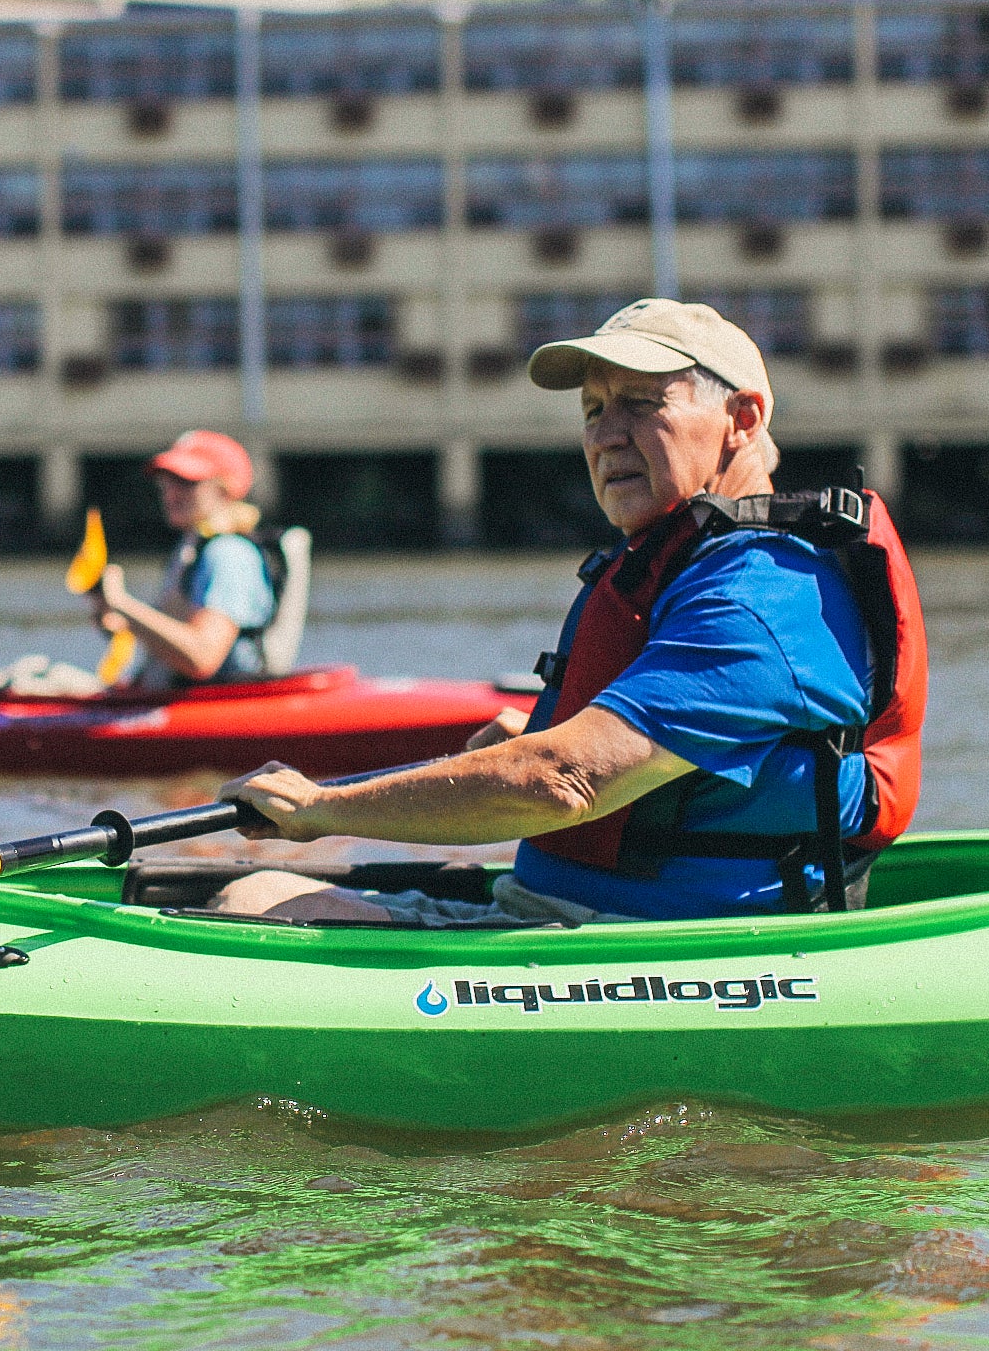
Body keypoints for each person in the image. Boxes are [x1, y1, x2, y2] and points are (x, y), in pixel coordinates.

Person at [210, 298, 924, 926]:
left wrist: (321, 808)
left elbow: (563, 780)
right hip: (566, 908)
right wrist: (540, 730)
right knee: (225, 887)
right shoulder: (692, 563)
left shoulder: (760, 595)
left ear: (742, 419)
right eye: (593, 410)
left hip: (638, 940)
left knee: (251, 902)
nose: (606, 435)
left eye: (642, 404)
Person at [90, 429, 280, 687]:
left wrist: (122, 603)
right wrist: (119, 618)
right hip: (178, 698)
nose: (170, 493)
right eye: (166, 482)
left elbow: (202, 658)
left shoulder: (230, 554)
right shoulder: (190, 550)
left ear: (226, 489)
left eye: (187, 482)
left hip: (221, 705)